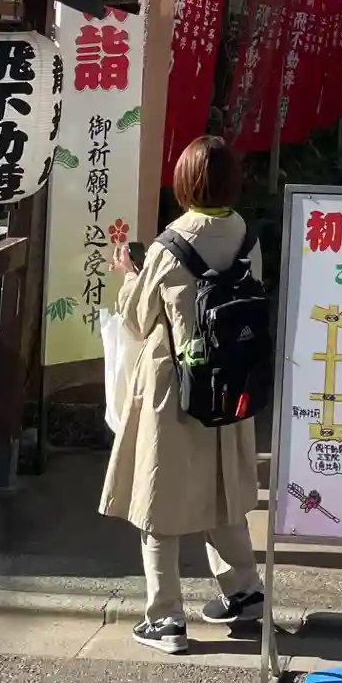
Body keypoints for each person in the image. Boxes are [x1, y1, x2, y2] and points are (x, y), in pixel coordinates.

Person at [101, 136, 263, 655]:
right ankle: (244, 592)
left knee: (159, 500)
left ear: (185, 184)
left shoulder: (170, 245)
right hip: (231, 384)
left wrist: (129, 276)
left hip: (175, 387)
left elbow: (137, 318)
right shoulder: (247, 236)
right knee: (223, 491)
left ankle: (165, 619)